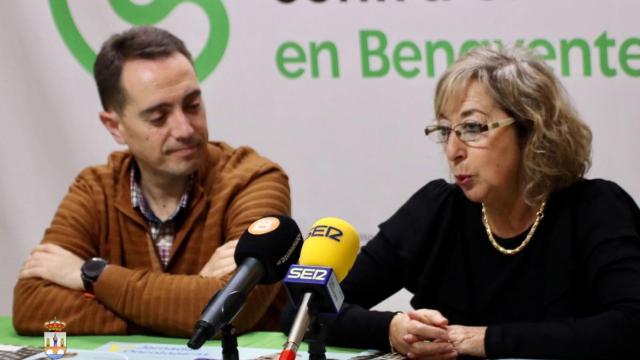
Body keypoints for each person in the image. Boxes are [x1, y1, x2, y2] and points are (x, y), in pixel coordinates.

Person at [313, 47, 640, 359]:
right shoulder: (436, 211)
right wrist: (391, 329)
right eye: (445, 130)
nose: (454, 150)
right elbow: (306, 312)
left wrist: (485, 340)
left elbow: (630, 326)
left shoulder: (596, 209)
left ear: (530, 130)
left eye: (472, 128)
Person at [14, 26, 291, 337]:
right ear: (115, 126)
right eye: (159, 117)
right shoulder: (94, 189)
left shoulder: (254, 181)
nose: (185, 129)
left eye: (192, 105)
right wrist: (176, 311)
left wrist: (91, 276)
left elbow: (231, 308)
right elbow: (31, 304)